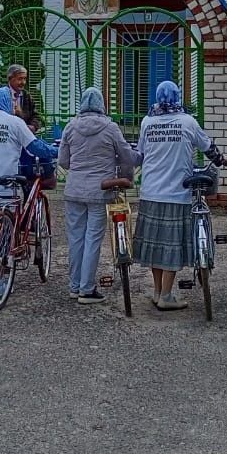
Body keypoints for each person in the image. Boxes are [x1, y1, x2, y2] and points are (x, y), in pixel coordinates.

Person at [132, 81, 224, 311]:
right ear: (177, 97)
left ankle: (156, 292)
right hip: (177, 192)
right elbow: (208, 148)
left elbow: (140, 153)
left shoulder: (147, 121)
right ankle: (166, 295)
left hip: (151, 191)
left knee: (154, 244)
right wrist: (222, 159)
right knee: (171, 245)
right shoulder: (187, 122)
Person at [0, 87, 58, 290]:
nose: (16, 105)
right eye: (13, 101)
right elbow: (36, 148)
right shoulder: (15, 123)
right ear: (6, 103)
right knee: (6, 232)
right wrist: (56, 151)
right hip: (6, 187)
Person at [58, 87, 139, 304]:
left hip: (74, 190)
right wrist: (129, 171)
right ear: (102, 104)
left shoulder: (70, 127)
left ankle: (75, 286)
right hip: (100, 190)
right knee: (93, 239)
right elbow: (126, 156)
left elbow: (63, 161)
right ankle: (87, 289)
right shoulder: (110, 127)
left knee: (76, 239)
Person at [6, 64, 41, 133]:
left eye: (24, 78)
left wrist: (33, 126)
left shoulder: (27, 96)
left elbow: (36, 116)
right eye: (20, 79)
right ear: (10, 78)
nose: (23, 82)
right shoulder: (1, 95)